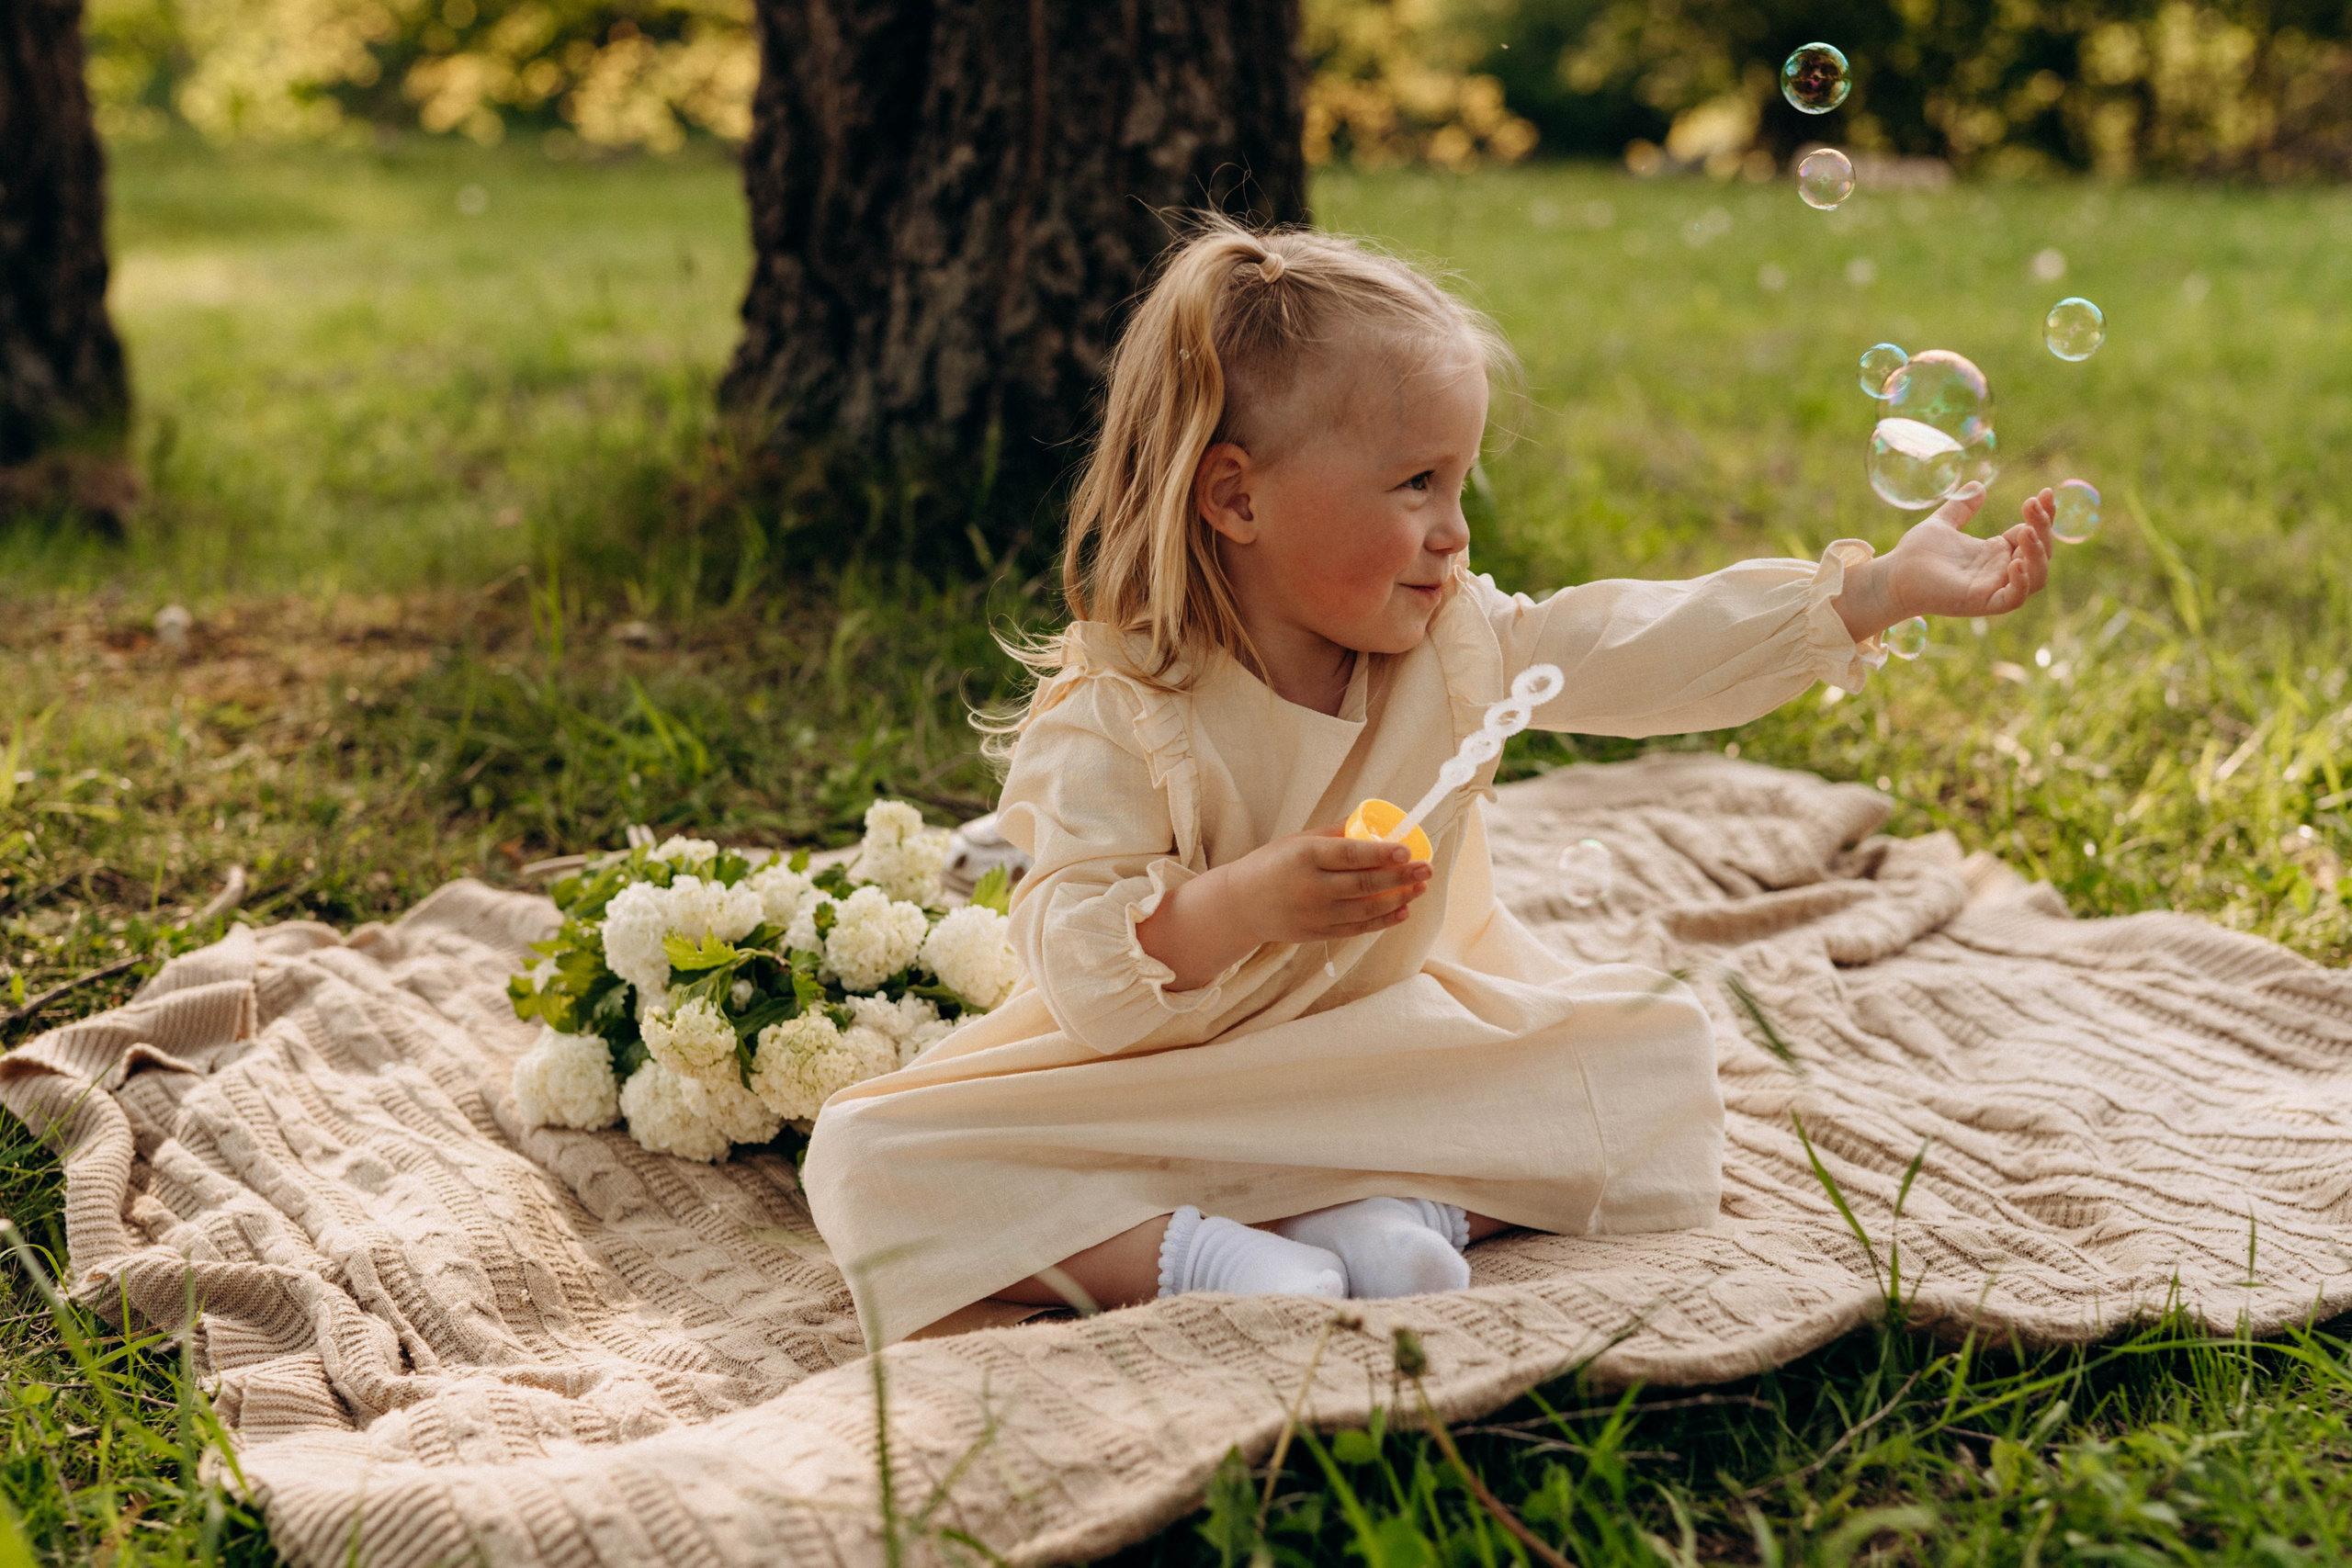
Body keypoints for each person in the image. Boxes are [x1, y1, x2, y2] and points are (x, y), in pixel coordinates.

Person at [801, 217, 2058, 1346]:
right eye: (1415, 486)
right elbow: (1083, 977)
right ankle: (1211, 1258)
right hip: (1162, 1088)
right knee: (867, 1153)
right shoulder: (1121, 715)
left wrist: (1875, 588)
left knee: (1652, 1060)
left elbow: (1644, 642)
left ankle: (1391, 1219)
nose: (1454, 530)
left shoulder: (1464, 647)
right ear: (1237, 497)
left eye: (1459, 483)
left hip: (1392, 1063)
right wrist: (1248, 903)